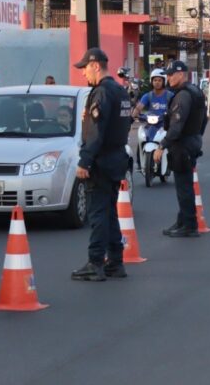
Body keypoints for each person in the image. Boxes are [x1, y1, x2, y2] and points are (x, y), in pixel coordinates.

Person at [70, 48, 132, 282]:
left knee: (97, 215)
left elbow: (95, 132)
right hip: (116, 159)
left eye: (85, 68)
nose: (83, 74)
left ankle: (95, 262)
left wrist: (85, 161)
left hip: (102, 161)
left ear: (96, 65)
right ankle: (115, 262)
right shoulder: (120, 92)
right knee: (109, 214)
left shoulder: (102, 93)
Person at [156, 61, 207, 237]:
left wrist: (162, 145)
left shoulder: (183, 95)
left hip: (183, 144)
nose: (167, 78)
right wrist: (197, 137)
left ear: (181, 74)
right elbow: (204, 119)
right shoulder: (195, 91)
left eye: (170, 74)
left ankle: (189, 225)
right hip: (191, 141)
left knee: (183, 186)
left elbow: (176, 127)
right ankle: (182, 220)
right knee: (184, 185)